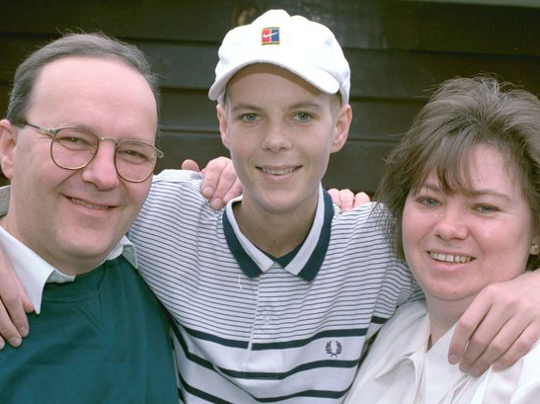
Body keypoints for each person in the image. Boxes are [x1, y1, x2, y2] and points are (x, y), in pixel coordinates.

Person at [2, 10, 540, 404]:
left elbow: (460, 252)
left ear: (342, 126)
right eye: (252, 116)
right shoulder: (162, 212)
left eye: (303, 116)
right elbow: (66, 207)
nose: (276, 140)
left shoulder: (382, 243)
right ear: (223, 126)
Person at [0, 32, 238, 403]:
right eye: (74, 140)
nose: (104, 175)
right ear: (9, 148)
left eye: (133, 152)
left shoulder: (162, 270)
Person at [345, 76, 540, 403]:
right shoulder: (399, 325)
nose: (449, 228)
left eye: (484, 207)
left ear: (536, 232)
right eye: (430, 200)